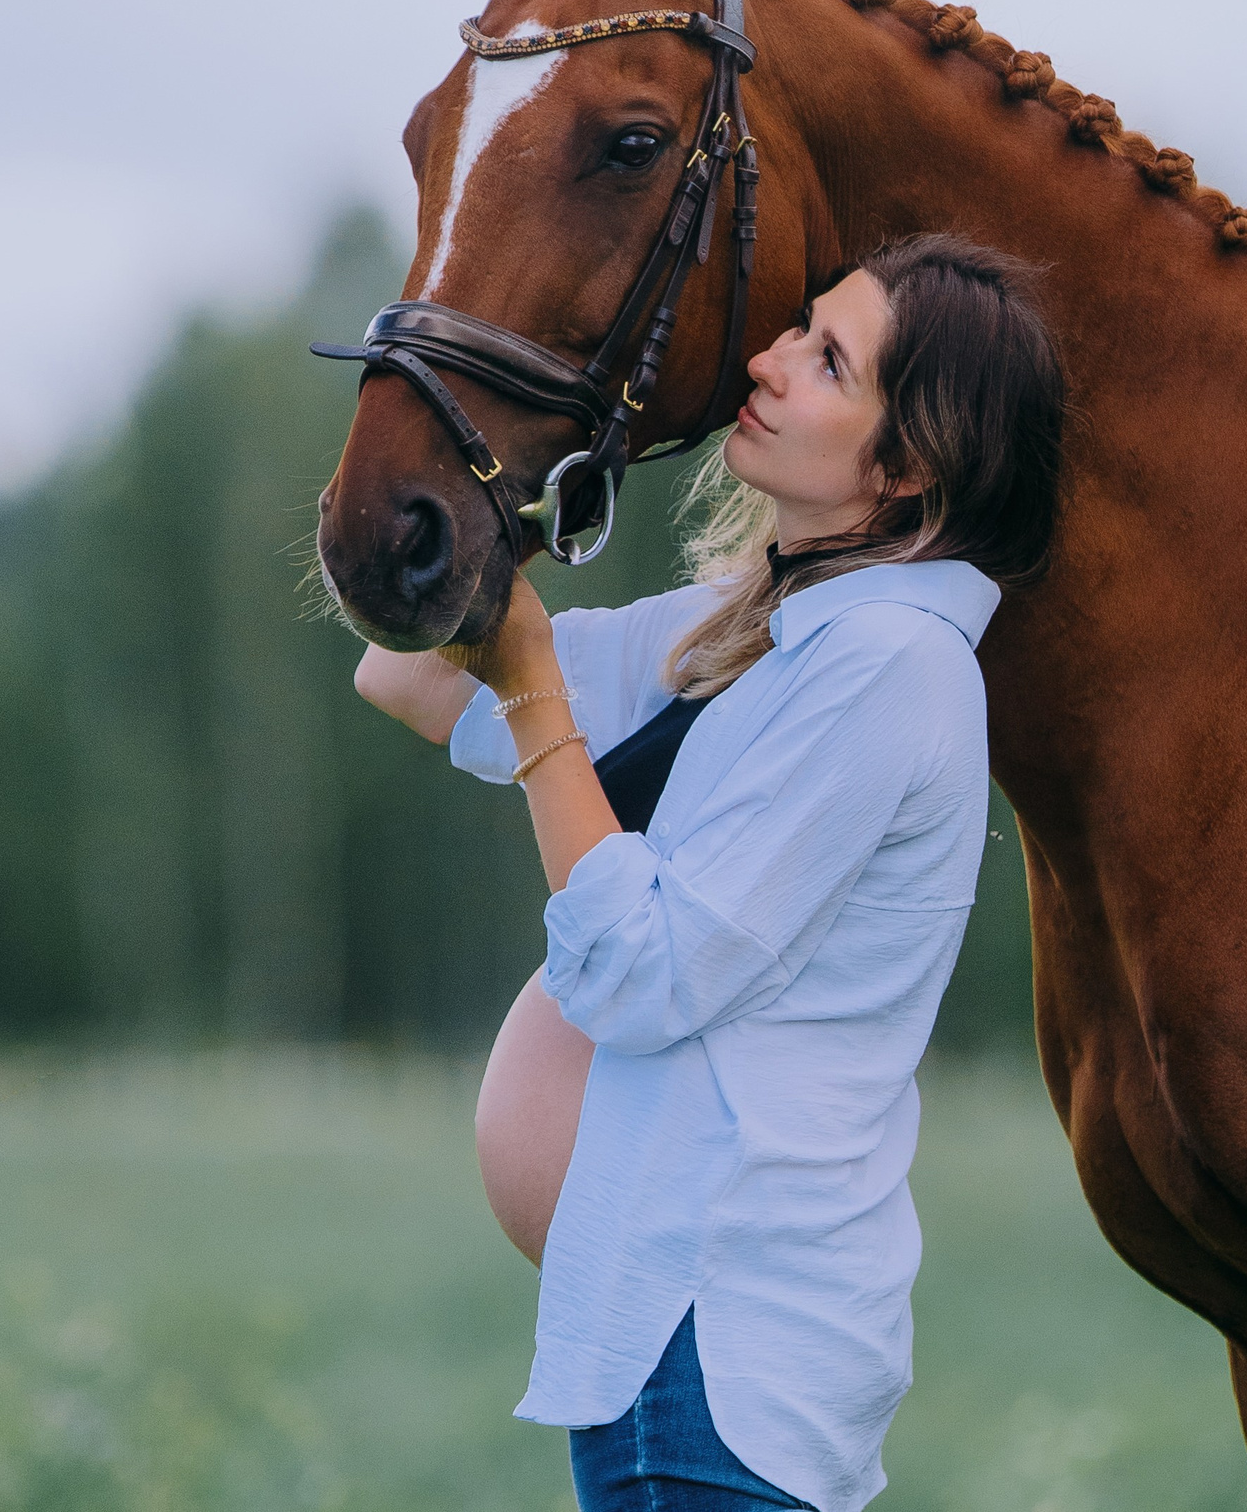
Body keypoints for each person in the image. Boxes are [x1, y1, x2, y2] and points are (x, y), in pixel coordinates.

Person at [353, 233, 1067, 1512]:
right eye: (799, 328)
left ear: (905, 468)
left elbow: (645, 974)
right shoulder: (753, 633)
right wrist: (513, 460)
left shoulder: (887, 666)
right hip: (650, 1330)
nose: (770, 359)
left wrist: (534, 696)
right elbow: (399, 672)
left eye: (829, 358)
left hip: (727, 1339)